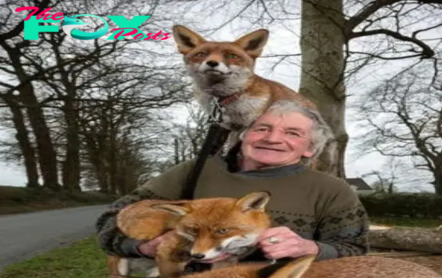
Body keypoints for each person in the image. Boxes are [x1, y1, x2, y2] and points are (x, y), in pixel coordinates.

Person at [97, 100, 369, 266]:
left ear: (310, 148)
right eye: (262, 128)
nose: (272, 138)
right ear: (244, 136)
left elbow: (355, 253)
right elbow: (109, 220)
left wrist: (310, 248)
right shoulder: (195, 171)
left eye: (292, 133)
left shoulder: (332, 191)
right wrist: (143, 247)